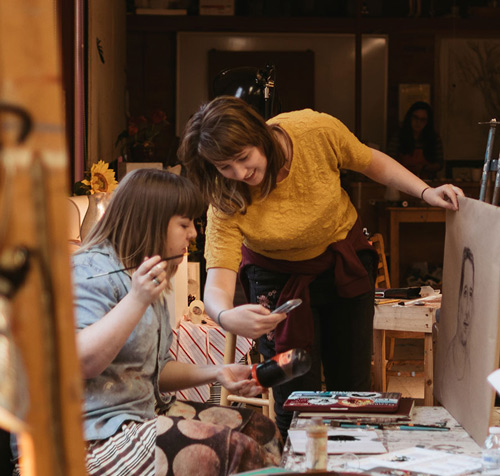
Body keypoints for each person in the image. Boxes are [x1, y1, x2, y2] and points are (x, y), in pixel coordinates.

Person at [178, 96, 464, 438]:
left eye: (243, 158)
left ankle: (354, 472)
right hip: (277, 279)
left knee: (353, 388)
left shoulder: (314, 130)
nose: (240, 174)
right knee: (296, 396)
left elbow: (372, 163)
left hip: (342, 260)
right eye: (225, 167)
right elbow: (218, 282)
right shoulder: (225, 196)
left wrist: (425, 192)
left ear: (261, 135)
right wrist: (225, 316)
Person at [12, 169, 282, 476]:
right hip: (84, 443)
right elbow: (79, 362)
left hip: (138, 421)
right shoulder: (87, 272)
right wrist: (136, 300)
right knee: (233, 451)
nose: (193, 234)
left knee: (261, 430)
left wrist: (217, 372)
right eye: (184, 224)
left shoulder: (142, 277)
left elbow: (157, 370)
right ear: (150, 220)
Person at [386, 101, 444, 180]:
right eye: (415, 118)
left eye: (422, 120)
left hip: (426, 181)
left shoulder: (434, 138)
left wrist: (424, 167)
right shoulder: (398, 136)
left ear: (427, 122)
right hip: (402, 180)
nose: (418, 122)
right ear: (410, 118)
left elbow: (440, 163)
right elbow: (389, 159)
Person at [447, 246, 475, 381]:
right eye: (464, 293)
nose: (468, 309)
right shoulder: (448, 360)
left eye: (471, 294)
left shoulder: (474, 361)